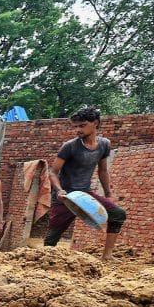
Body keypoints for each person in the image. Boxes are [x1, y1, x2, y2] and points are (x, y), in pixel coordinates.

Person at [45, 106, 127, 260]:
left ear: (95, 123)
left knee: (118, 214)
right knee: (52, 237)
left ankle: (107, 255)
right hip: (65, 196)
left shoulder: (104, 144)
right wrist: (59, 190)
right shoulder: (69, 146)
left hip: (84, 193)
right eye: (75, 126)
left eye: (82, 125)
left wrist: (108, 193)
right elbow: (53, 172)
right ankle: (42, 261)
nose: (77, 130)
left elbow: (102, 171)